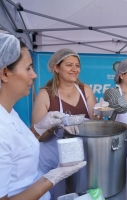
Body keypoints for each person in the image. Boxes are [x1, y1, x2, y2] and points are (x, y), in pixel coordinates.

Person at [0, 33, 85, 200]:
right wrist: (51, 178)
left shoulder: (9, 112)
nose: (34, 75)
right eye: (28, 68)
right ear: (4, 73)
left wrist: (41, 126)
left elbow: (19, 148)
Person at [31, 48, 97, 199]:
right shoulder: (45, 94)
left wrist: (102, 113)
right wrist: (53, 124)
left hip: (80, 161)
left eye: (77, 65)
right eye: (69, 65)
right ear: (56, 68)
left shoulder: (85, 90)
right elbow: (37, 136)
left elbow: (94, 125)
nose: (75, 69)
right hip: (53, 164)